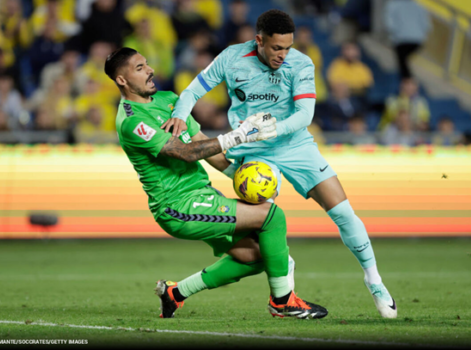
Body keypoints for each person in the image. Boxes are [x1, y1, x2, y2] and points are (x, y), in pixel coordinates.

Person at [167, 9, 397, 318]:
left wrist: (274, 128)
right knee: (267, 229)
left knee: (343, 213)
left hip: (296, 145)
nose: (283, 55)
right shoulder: (232, 57)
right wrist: (180, 114)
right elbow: (194, 89)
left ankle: (375, 282)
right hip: (255, 155)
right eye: (277, 48)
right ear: (259, 41)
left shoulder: (301, 63)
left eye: (288, 47)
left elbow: (305, 114)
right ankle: (284, 298)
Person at [104, 47, 328, 320]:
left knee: (256, 257)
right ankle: (282, 302)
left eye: (147, 64)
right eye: (139, 68)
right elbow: (184, 152)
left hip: (202, 194)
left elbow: (200, 143)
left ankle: (175, 293)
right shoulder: (131, 120)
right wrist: (237, 136)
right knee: (272, 217)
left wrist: (241, 175)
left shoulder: (169, 99)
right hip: (176, 205)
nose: (150, 70)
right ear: (122, 80)